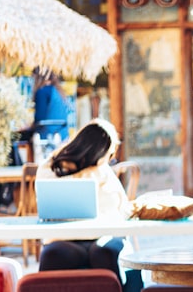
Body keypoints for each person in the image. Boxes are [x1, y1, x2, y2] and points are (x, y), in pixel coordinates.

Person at [36, 118, 130, 281]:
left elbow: (123, 207)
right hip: (64, 237)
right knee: (56, 254)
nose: (108, 160)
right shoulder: (51, 167)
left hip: (101, 236)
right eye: (109, 154)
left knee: (104, 252)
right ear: (97, 152)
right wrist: (92, 174)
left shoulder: (103, 171)